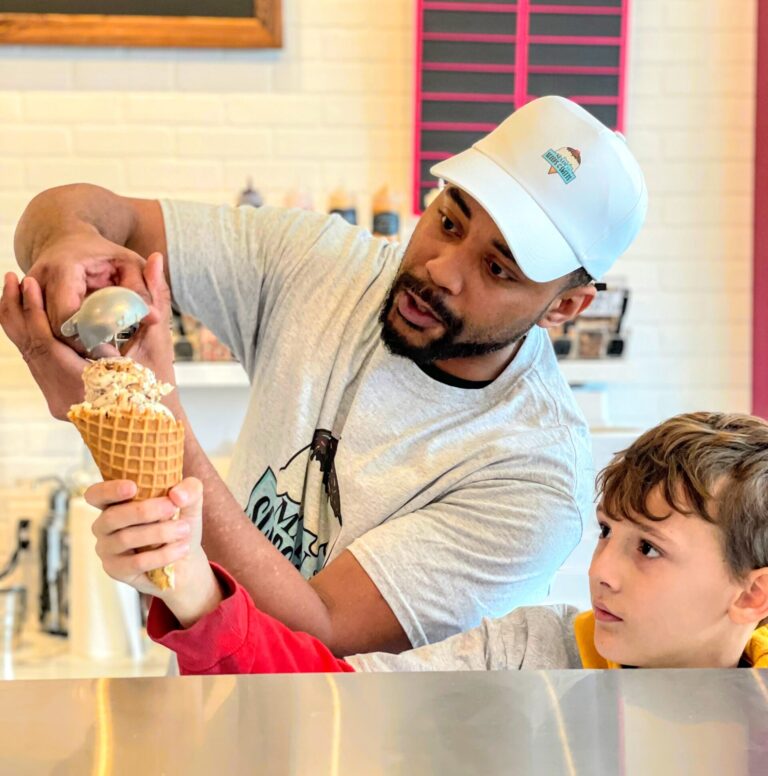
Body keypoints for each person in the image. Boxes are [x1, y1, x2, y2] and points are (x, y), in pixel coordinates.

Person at [1, 96, 647, 655]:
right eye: (449, 221)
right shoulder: (318, 265)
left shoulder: (532, 478)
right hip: (209, 694)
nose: (441, 269)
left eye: (497, 268)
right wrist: (65, 248)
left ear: (564, 307)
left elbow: (317, 637)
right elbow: (75, 210)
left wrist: (149, 414)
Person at [87, 412, 768, 672]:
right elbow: (334, 699)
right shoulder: (525, 653)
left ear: (752, 593)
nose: (602, 572)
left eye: (648, 549)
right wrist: (193, 585)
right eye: (608, 533)